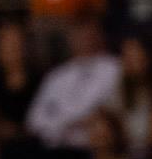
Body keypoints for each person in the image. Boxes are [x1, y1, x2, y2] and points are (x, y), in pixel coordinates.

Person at [26, 17, 123, 149]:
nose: (84, 39)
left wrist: (61, 119)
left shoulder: (113, 68)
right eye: (78, 33)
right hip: (55, 150)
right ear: (70, 38)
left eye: (89, 33)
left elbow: (106, 111)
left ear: (99, 35)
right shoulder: (56, 75)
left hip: (94, 148)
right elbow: (34, 121)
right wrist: (68, 123)